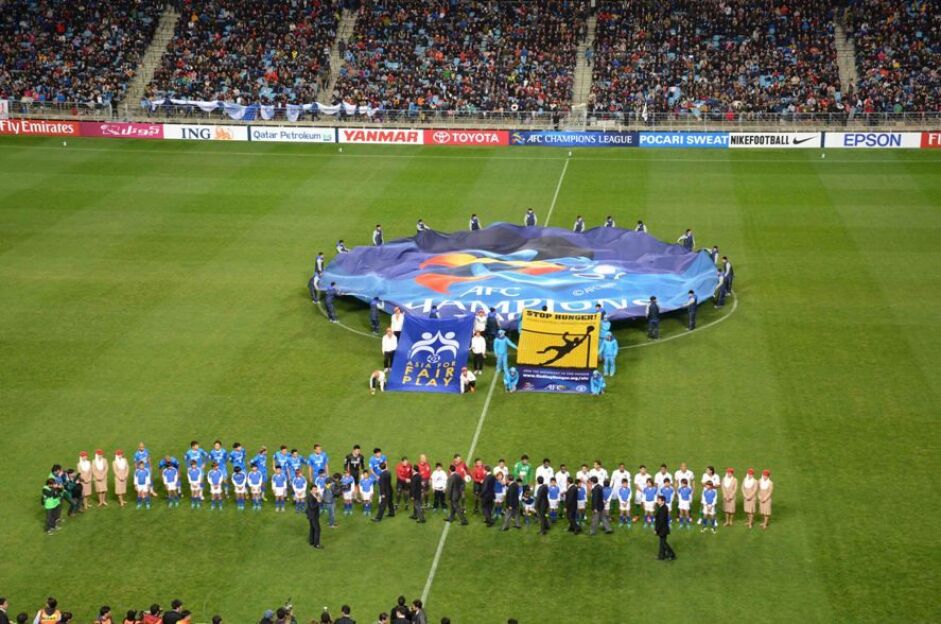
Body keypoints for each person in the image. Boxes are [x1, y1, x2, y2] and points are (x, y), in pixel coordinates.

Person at [655, 495, 676, 560]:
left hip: (662, 528)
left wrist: (656, 529)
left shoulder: (663, 508)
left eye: (659, 500)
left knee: (663, 543)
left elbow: (661, 521)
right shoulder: (662, 507)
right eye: (658, 500)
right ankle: (661, 556)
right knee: (662, 543)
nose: (658, 501)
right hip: (663, 528)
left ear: (663, 501)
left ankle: (672, 555)